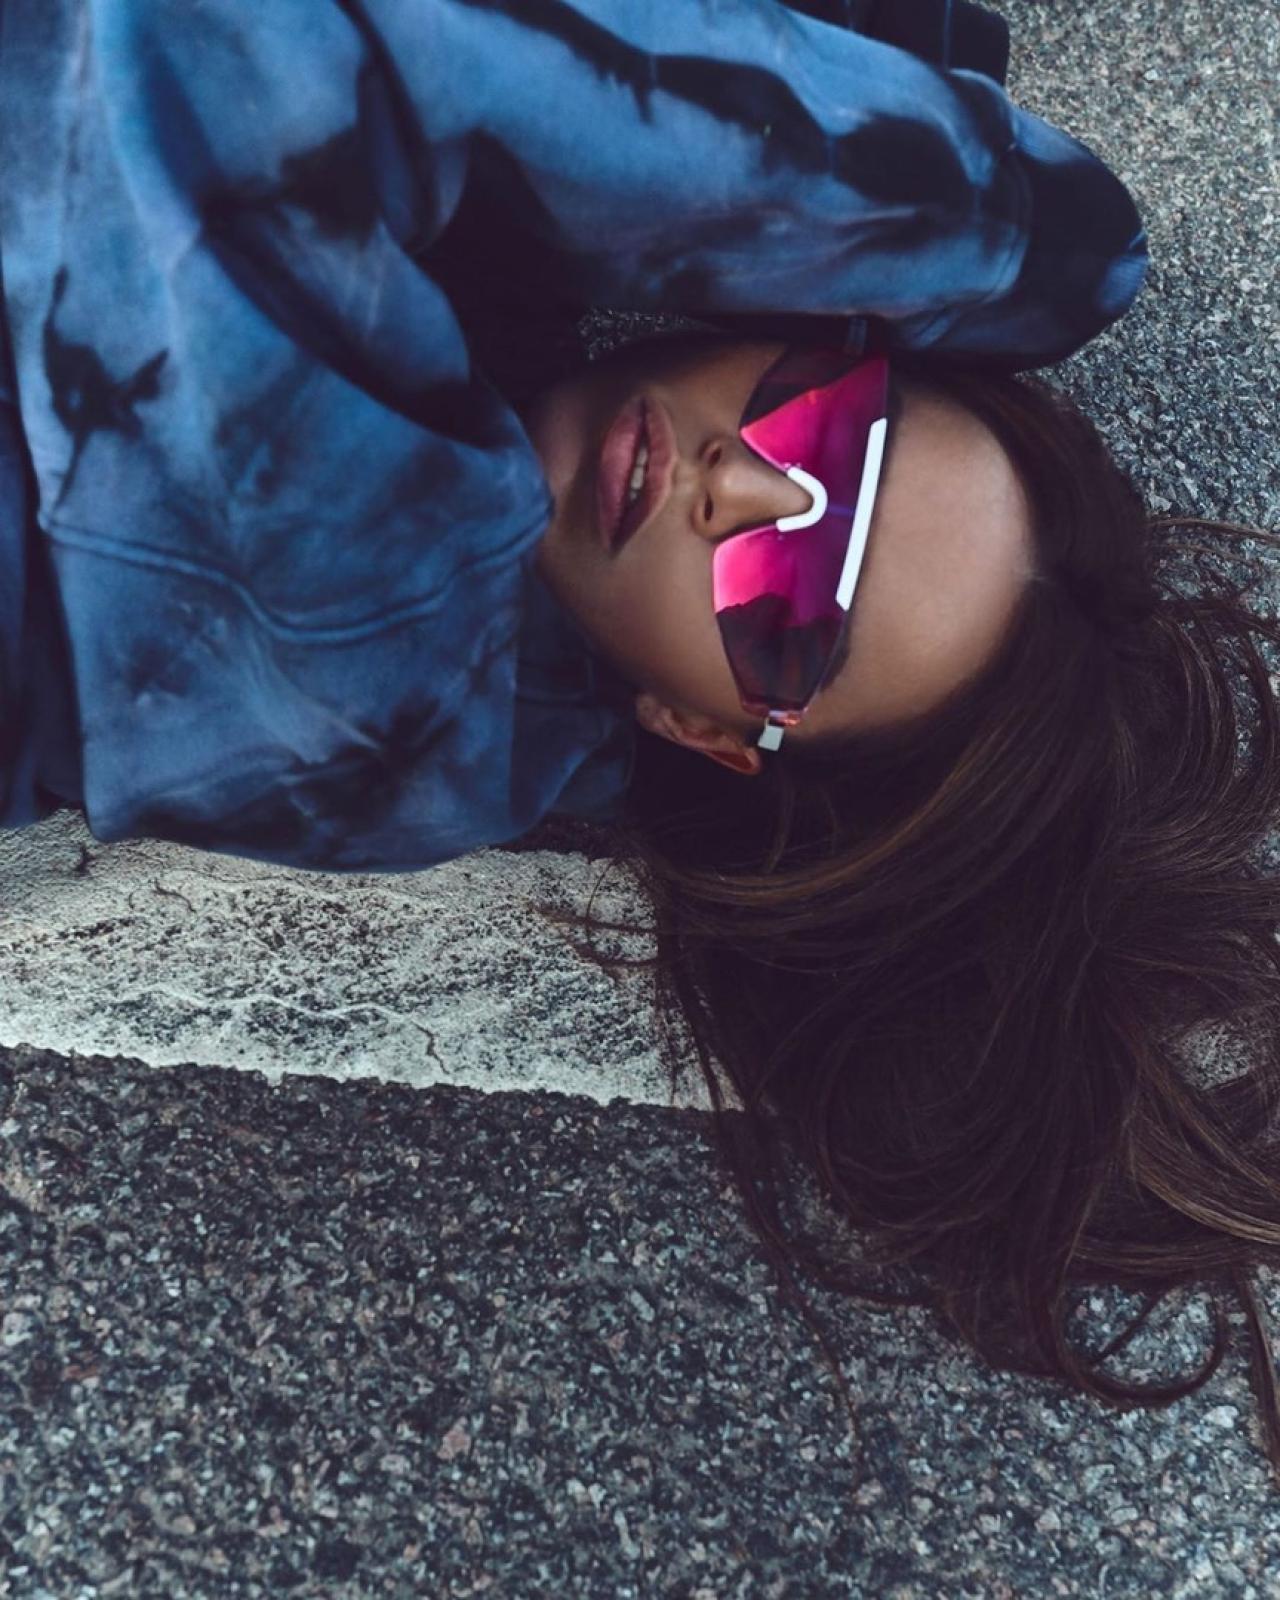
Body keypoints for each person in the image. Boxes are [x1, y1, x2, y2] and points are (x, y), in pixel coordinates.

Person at [3, 0, 1278, 1481]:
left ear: (706, 733)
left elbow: (229, 53)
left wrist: (1000, 223)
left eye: (791, 618)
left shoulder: (385, 630)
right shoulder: (454, 373)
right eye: (830, 430)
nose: (739, 490)